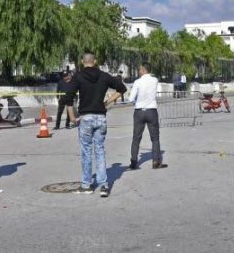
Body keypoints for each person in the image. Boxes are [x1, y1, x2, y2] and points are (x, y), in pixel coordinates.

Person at [64, 53, 127, 197]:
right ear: (95, 61)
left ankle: (86, 185)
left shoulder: (78, 76)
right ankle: (104, 185)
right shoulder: (104, 76)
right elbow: (122, 89)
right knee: (99, 150)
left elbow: (69, 97)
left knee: (86, 151)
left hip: (85, 117)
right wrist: (108, 102)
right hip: (100, 117)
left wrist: (72, 116)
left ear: (82, 62)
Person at [128, 62, 167, 170]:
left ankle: (133, 162)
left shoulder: (137, 82)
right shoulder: (154, 80)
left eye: (140, 69)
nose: (139, 71)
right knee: (155, 138)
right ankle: (156, 161)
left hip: (139, 111)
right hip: (151, 111)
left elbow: (130, 99)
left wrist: (136, 100)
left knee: (136, 137)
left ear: (144, 70)